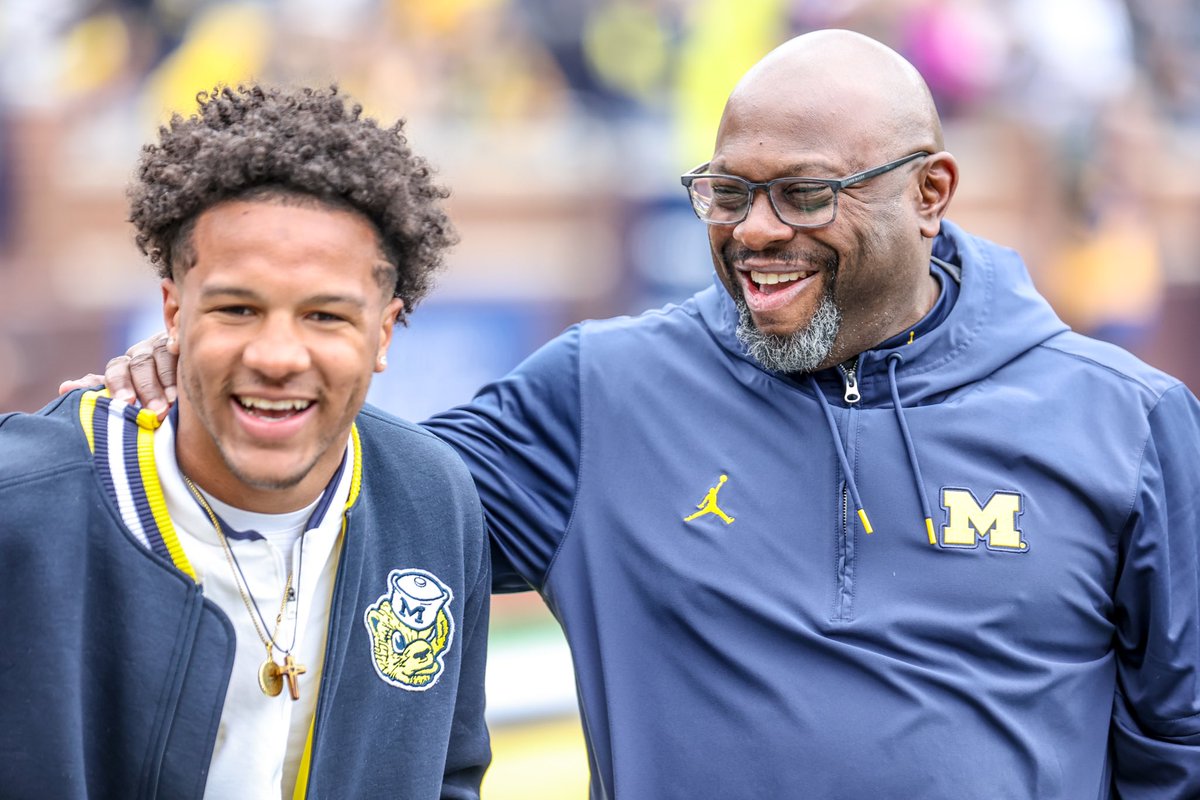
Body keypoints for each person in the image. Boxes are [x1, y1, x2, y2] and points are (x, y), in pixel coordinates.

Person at [74, 30, 1200, 798]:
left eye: (804, 193)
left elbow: (1180, 746)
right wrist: (211, 378)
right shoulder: (598, 394)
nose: (757, 230)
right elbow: (348, 487)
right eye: (726, 190)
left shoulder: (1132, 424)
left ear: (932, 192)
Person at [7, 84, 491, 799]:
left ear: (383, 333)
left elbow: (451, 774)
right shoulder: (25, 506)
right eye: (238, 308)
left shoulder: (431, 496)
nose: (277, 354)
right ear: (175, 309)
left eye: (325, 316)